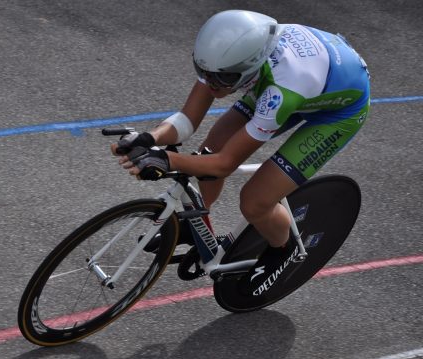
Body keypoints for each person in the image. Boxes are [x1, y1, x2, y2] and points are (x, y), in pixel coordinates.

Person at [111, 10, 370, 296]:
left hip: (337, 110)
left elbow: (224, 164)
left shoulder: (280, 92)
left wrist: (167, 159)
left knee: (255, 200)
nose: (211, 85)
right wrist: (151, 138)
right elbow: (187, 119)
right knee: (211, 146)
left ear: (249, 68)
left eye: (223, 80)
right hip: (299, 78)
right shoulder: (221, 61)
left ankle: (282, 249)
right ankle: (194, 224)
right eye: (205, 74)